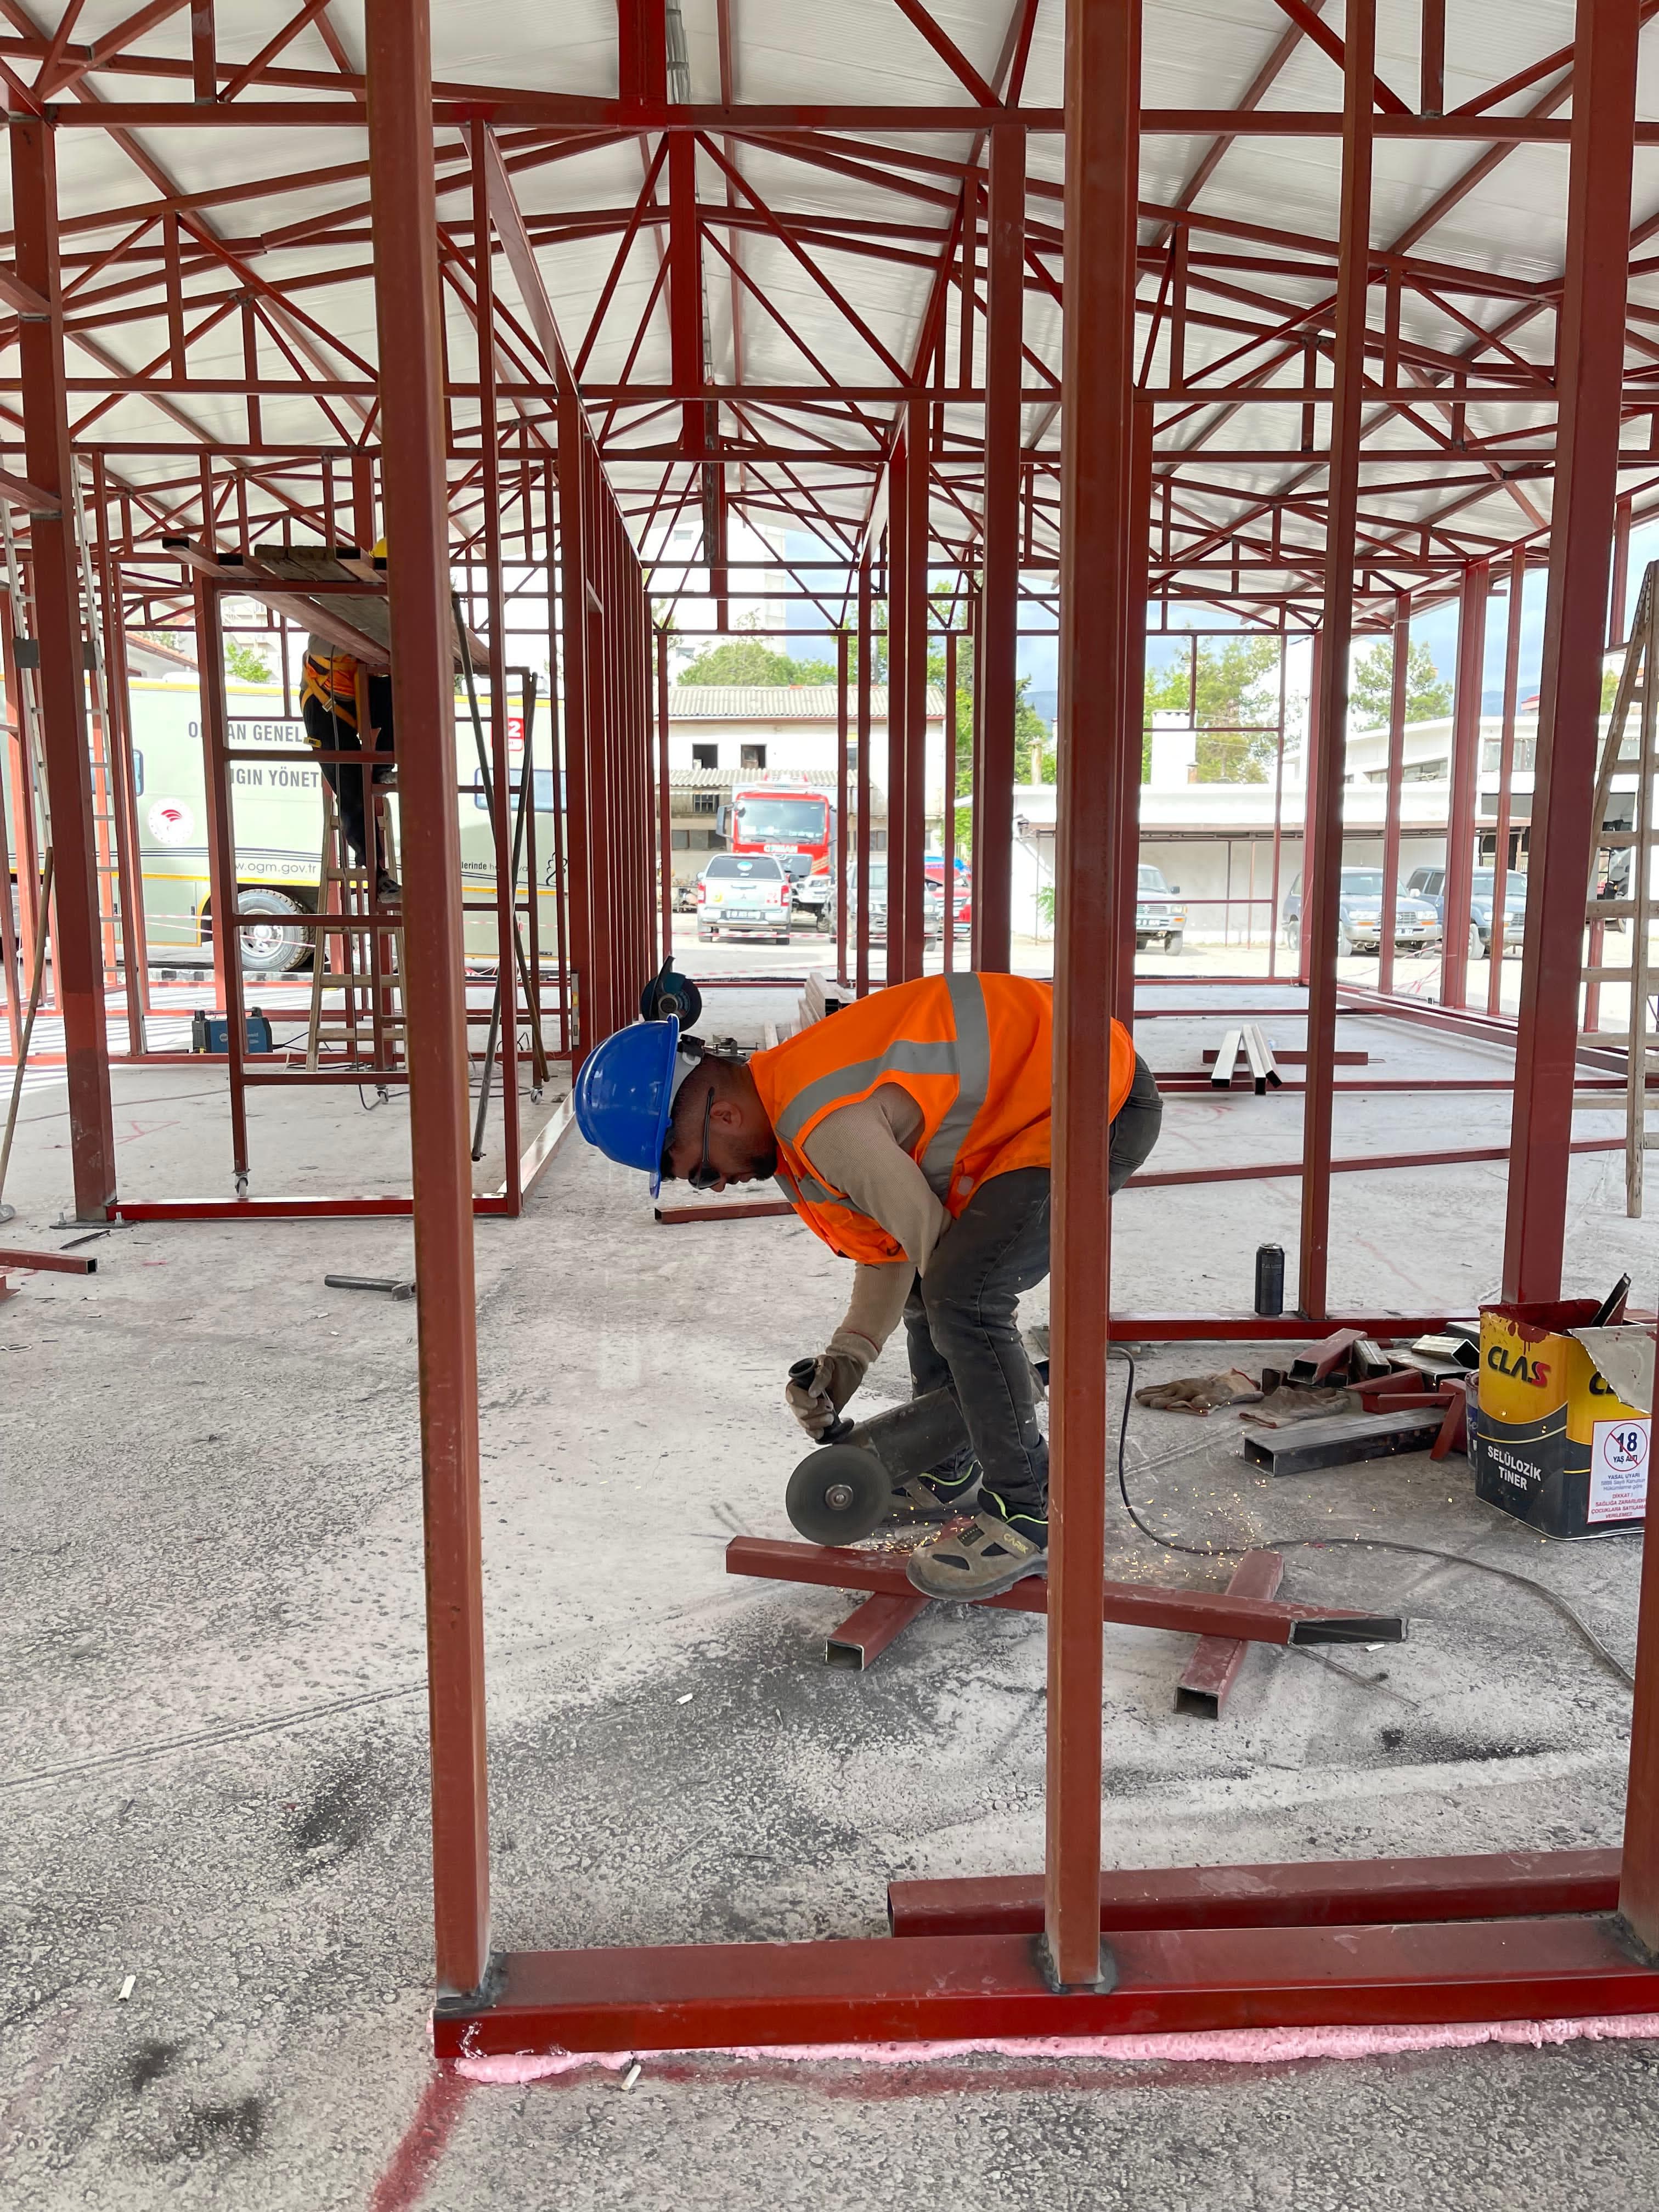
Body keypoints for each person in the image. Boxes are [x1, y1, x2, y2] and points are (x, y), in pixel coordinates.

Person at [573, 971, 1161, 1602]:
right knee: (940, 1293)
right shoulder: (785, 1112)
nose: (715, 1185)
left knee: (963, 1299)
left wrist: (987, 1379)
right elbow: (894, 1249)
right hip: (1041, 1100)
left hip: (1093, 1101)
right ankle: (947, 1466)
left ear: (723, 1114)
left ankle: (1030, 1513)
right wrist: (846, 1361)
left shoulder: (824, 1124)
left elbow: (936, 1257)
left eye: (700, 1171)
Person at [298, 539, 399, 904]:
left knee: (405, 693)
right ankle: (377, 875)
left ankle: (382, 766)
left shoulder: (390, 606)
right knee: (351, 790)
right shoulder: (349, 600)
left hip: (357, 695)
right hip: (324, 705)